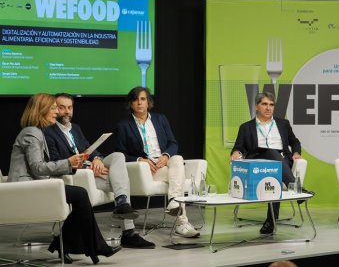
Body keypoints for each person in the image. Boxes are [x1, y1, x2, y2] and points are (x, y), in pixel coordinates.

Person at [8, 93, 121, 264]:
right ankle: (90, 247)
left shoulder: (37, 132)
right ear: (42, 110)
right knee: (81, 195)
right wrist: (68, 162)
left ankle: (76, 246)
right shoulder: (31, 133)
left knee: (81, 196)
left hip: (34, 186)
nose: (57, 112)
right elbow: (38, 168)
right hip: (24, 189)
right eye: (53, 108)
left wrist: (71, 165)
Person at [44, 93, 155, 249]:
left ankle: (122, 203)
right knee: (122, 181)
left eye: (70, 107)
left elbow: (89, 149)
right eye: (62, 107)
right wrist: (86, 167)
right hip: (77, 176)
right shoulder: (48, 132)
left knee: (117, 156)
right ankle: (128, 232)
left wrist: (96, 159)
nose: (67, 111)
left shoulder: (75, 128)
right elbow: (56, 162)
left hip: (92, 170)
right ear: (54, 109)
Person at [114, 87, 200, 238]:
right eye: (135, 99)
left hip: (164, 164)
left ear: (148, 102)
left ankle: (173, 201)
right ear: (131, 104)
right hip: (145, 170)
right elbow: (119, 154)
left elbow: (173, 143)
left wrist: (166, 156)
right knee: (177, 177)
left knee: (177, 158)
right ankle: (181, 223)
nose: (139, 103)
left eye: (143, 99)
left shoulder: (161, 119)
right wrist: (141, 160)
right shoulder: (123, 125)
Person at [230, 92, 303, 234]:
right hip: (257, 162)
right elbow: (238, 147)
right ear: (257, 106)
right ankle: (296, 187)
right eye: (264, 104)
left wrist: (296, 153)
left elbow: (295, 141)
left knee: (274, 163)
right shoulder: (246, 127)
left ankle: (271, 221)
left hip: (281, 161)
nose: (268, 108)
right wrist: (235, 153)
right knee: (271, 154)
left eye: (271, 105)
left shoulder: (283, 124)